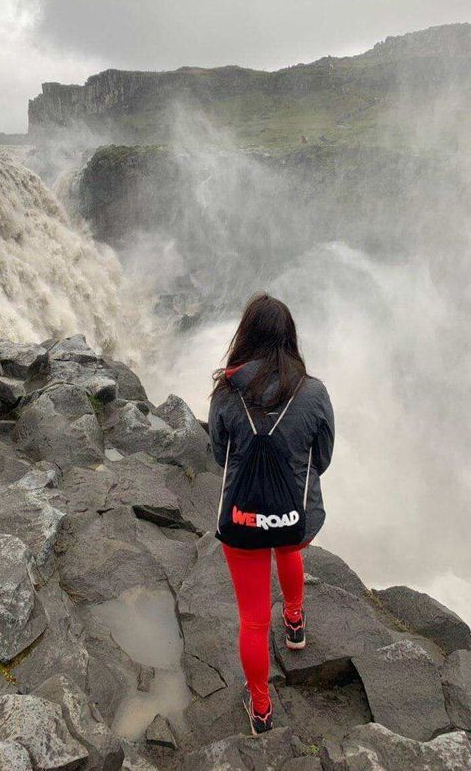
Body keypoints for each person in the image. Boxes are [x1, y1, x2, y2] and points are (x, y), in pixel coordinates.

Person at [208, 292, 334, 735]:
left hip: (242, 522)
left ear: (245, 338)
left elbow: (220, 456)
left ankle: (261, 709)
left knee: (253, 620)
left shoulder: (225, 393)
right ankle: (295, 622)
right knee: (287, 546)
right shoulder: (314, 391)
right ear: (289, 339)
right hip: (293, 519)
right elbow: (324, 457)